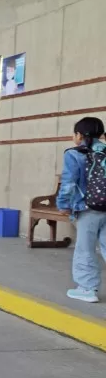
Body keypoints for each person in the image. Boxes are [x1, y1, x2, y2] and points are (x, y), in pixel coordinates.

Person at [57, 116, 106, 303]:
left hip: (87, 208)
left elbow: (68, 183)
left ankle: (87, 289)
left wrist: (64, 205)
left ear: (79, 135)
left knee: (85, 248)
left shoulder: (74, 154)